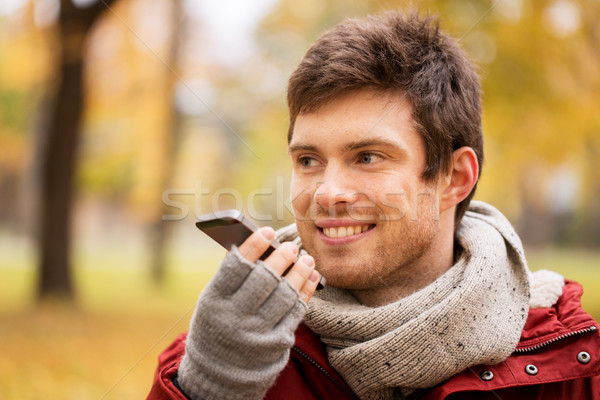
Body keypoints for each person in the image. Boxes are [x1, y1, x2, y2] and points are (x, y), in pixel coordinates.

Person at [147, 10, 600, 400]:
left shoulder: (572, 364)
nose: (326, 193)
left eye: (367, 157)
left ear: (454, 178)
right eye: (308, 160)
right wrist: (210, 387)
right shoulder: (225, 348)